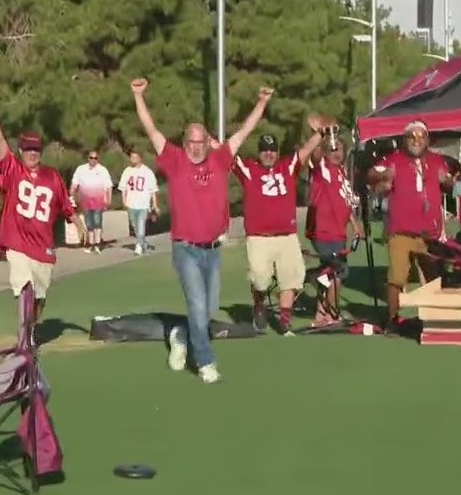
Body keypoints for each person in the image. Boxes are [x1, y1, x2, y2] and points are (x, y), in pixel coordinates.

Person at [131, 77, 271, 384]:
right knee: (195, 303)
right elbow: (151, 130)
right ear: (185, 144)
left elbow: (244, 132)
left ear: (208, 141)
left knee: (206, 310)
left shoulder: (220, 160)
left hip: (212, 250)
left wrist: (260, 103)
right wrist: (138, 96)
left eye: (201, 141)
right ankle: (206, 361)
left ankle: (180, 336)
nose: (196, 147)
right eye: (191, 142)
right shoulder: (175, 161)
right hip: (185, 249)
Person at [0, 81, 87, 324]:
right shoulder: (13, 170)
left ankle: (31, 328)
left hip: (42, 245)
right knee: (25, 287)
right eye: (28, 149)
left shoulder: (52, 176)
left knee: (40, 295)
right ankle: (24, 336)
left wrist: (78, 222)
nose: (32, 153)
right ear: (20, 151)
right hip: (17, 242)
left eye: (36, 150)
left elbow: (64, 204)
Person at [232, 115, 325, 334]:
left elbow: (304, 152)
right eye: (264, 150)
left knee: (291, 277)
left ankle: (284, 320)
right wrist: (207, 140)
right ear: (259, 152)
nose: (268, 153)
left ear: (277, 152)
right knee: (260, 278)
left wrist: (319, 134)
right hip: (259, 237)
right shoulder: (249, 169)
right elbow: (226, 154)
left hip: (286, 235)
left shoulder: (287, 167)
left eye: (272, 150)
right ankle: (259, 304)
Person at [367, 121, 452, 331]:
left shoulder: (436, 161)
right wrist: (382, 178)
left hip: (429, 232)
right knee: (397, 277)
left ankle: (434, 319)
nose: (416, 141)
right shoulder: (393, 160)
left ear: (427, 139)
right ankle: (393, 320)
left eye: (421, 137)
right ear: (404, 140)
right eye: (411, 137)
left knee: (433, 277)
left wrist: (449, 181)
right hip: (401, 231)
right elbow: (370, 174)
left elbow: (449, 183)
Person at [306, 126, 363, 326]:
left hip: (339, 232)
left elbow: (346, 203)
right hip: (323, 230)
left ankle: (322, 313)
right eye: (332, 150)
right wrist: (322, 136)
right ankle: (332, 312)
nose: (336, 153)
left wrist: (356, 225)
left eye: (339, 149)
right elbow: (314, 156)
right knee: (337, 271)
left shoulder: (342, 174)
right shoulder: (323, 170)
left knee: (331, 272)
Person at [70, 150, 114, 254]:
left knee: (97, 222)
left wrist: (109, 199)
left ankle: (97, 244)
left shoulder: (102, 170)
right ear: (88, 158)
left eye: (95, 158)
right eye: (91, 158)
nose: (93, 160)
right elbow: (74, 184)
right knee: (89, 223)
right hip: (85, 201)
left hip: (99, 201)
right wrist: (71, 195)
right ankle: (90, 244)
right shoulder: (81, 169)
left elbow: (109, 186)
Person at [118, 149, 160, 255]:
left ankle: (138, 246)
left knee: (141, 224)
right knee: (135, 225)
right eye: (131, 157)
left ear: (140, 158)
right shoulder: (127, 171)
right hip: (131, 203)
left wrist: (155, 205)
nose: (133, 159)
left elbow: (153, 190)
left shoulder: (147, 172)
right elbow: (123, 188)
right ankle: (141, 241)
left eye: (135, 157)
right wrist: (124, 202)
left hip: (143, 204)